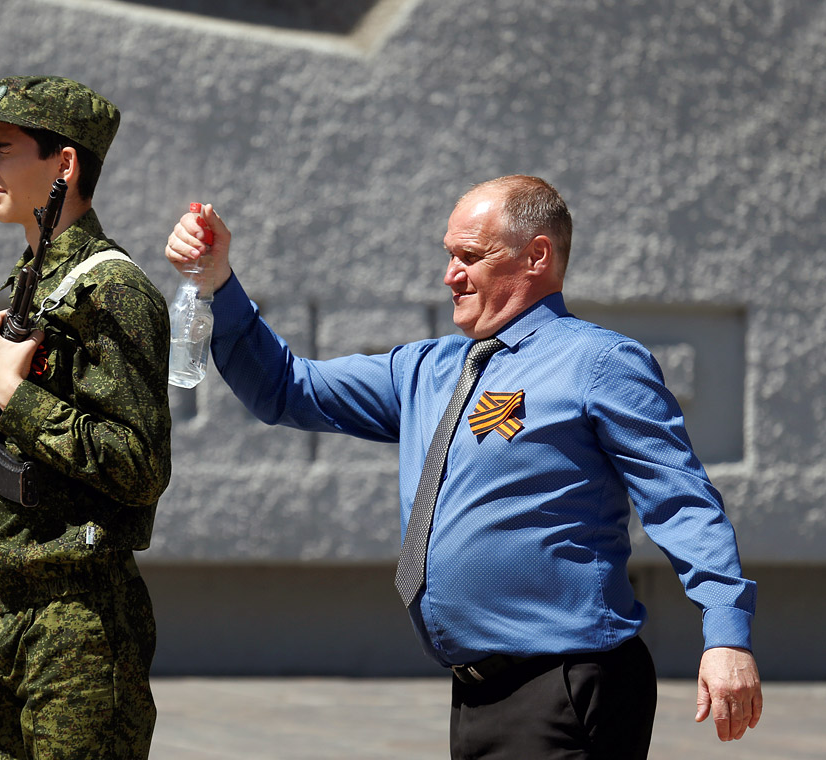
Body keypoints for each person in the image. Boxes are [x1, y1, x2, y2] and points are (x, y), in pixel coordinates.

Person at [164, 175, 762, 758]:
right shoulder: (427, 369)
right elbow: (285, 388)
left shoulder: (598, 362)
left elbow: (681, 501)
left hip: (565, 685)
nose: (450, 275)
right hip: (475, 696)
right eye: (450, 255)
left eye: (470, 257)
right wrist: (220, 284)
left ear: (536, 256)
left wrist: (726, 635)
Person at [0, 75, 172, 760]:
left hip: (79, 627)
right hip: (3, 611)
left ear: (64, 164)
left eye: (1, 149)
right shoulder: (33, 283)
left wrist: (15, 391)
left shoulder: (113, 291)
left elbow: (140, 465)